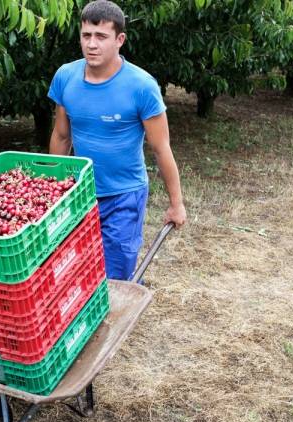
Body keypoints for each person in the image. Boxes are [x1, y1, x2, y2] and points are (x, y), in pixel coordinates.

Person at [48, 0, 187, 280]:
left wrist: (176, 203)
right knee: (77, 269)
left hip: (124, 195)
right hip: (80, 192)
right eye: (86, 35)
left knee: (115, 275)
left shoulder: (142, 86)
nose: (92, 44)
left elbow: (161, 149)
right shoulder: (66, 77)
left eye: (101, 36)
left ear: (119, 39)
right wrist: (53, 190)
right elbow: (62, 136)